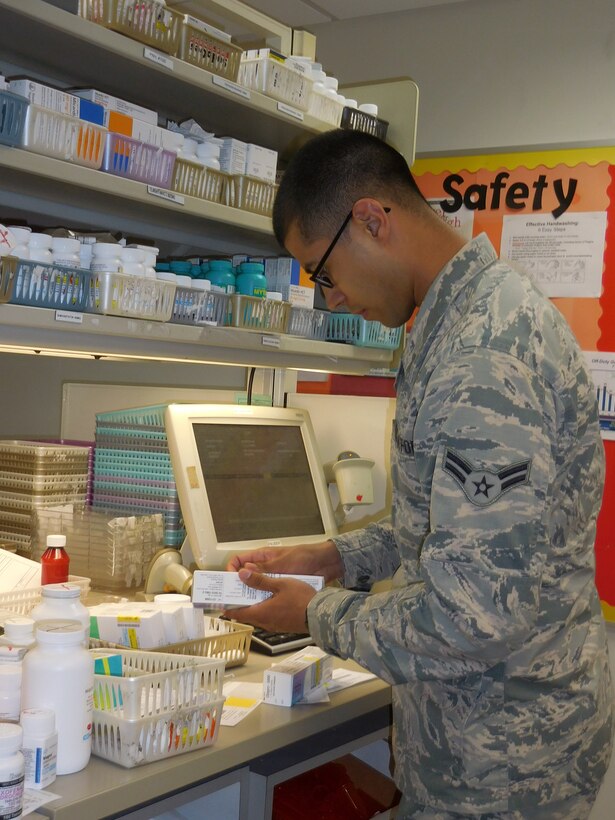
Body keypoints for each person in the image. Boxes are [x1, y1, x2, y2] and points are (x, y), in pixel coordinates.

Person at [226, 129, 614, 818]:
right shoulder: (461, 321)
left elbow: (470, 615)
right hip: (478, 739)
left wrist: (315, 612)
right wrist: (333, 557)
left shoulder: (483, 356)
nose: (330, 300)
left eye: (322, 273)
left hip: (505, 764)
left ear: (372, 219)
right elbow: (440, 525)